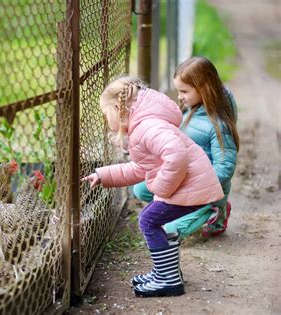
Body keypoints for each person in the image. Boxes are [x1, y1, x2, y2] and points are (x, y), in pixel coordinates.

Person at [81, 76, 224, 297]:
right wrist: (103, 174)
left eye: (105, 112)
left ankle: (168, 280)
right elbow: (140, 168)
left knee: (148, 220)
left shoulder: (148, 127)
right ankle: (166, 273)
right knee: (151, 218)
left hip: (191, 187)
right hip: (190, 185)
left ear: (118, 109)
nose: (104, 118)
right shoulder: (143, 127)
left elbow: (176, 155)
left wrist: (161, 188)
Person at [133, 56, 239, 238]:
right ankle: (181, 208)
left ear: (204, 89)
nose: (180, 96)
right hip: (186, 178)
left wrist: (196, 187)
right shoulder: (190, 109)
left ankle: (214, 212)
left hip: (207, 190)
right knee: (141, 189)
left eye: (184, 91)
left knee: (170, 232)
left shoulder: (219, 126)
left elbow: (225, 167)